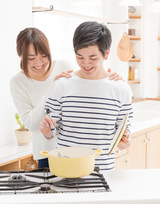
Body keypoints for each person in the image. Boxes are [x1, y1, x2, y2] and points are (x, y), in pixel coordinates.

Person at [10, 27, 123, 169]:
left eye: (44, 56)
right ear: (21, 56)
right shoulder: (18, 82)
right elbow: (31, 124)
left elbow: (85, 95)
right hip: (46, 154)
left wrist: (109, 79)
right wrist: (52, 90)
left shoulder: (64, 66)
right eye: (31, 58)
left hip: (74, 151)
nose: (38, 63)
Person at [40, 21, 133, 171]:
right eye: (80, 57)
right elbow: (51, 132)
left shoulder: (121, 90)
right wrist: (47, 132)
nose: (86, 63)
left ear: (106, 53)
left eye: (93, 57)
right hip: (65, 170)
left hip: (103, 173)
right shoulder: (61, 85)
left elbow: (124, 134)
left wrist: (125, 141)